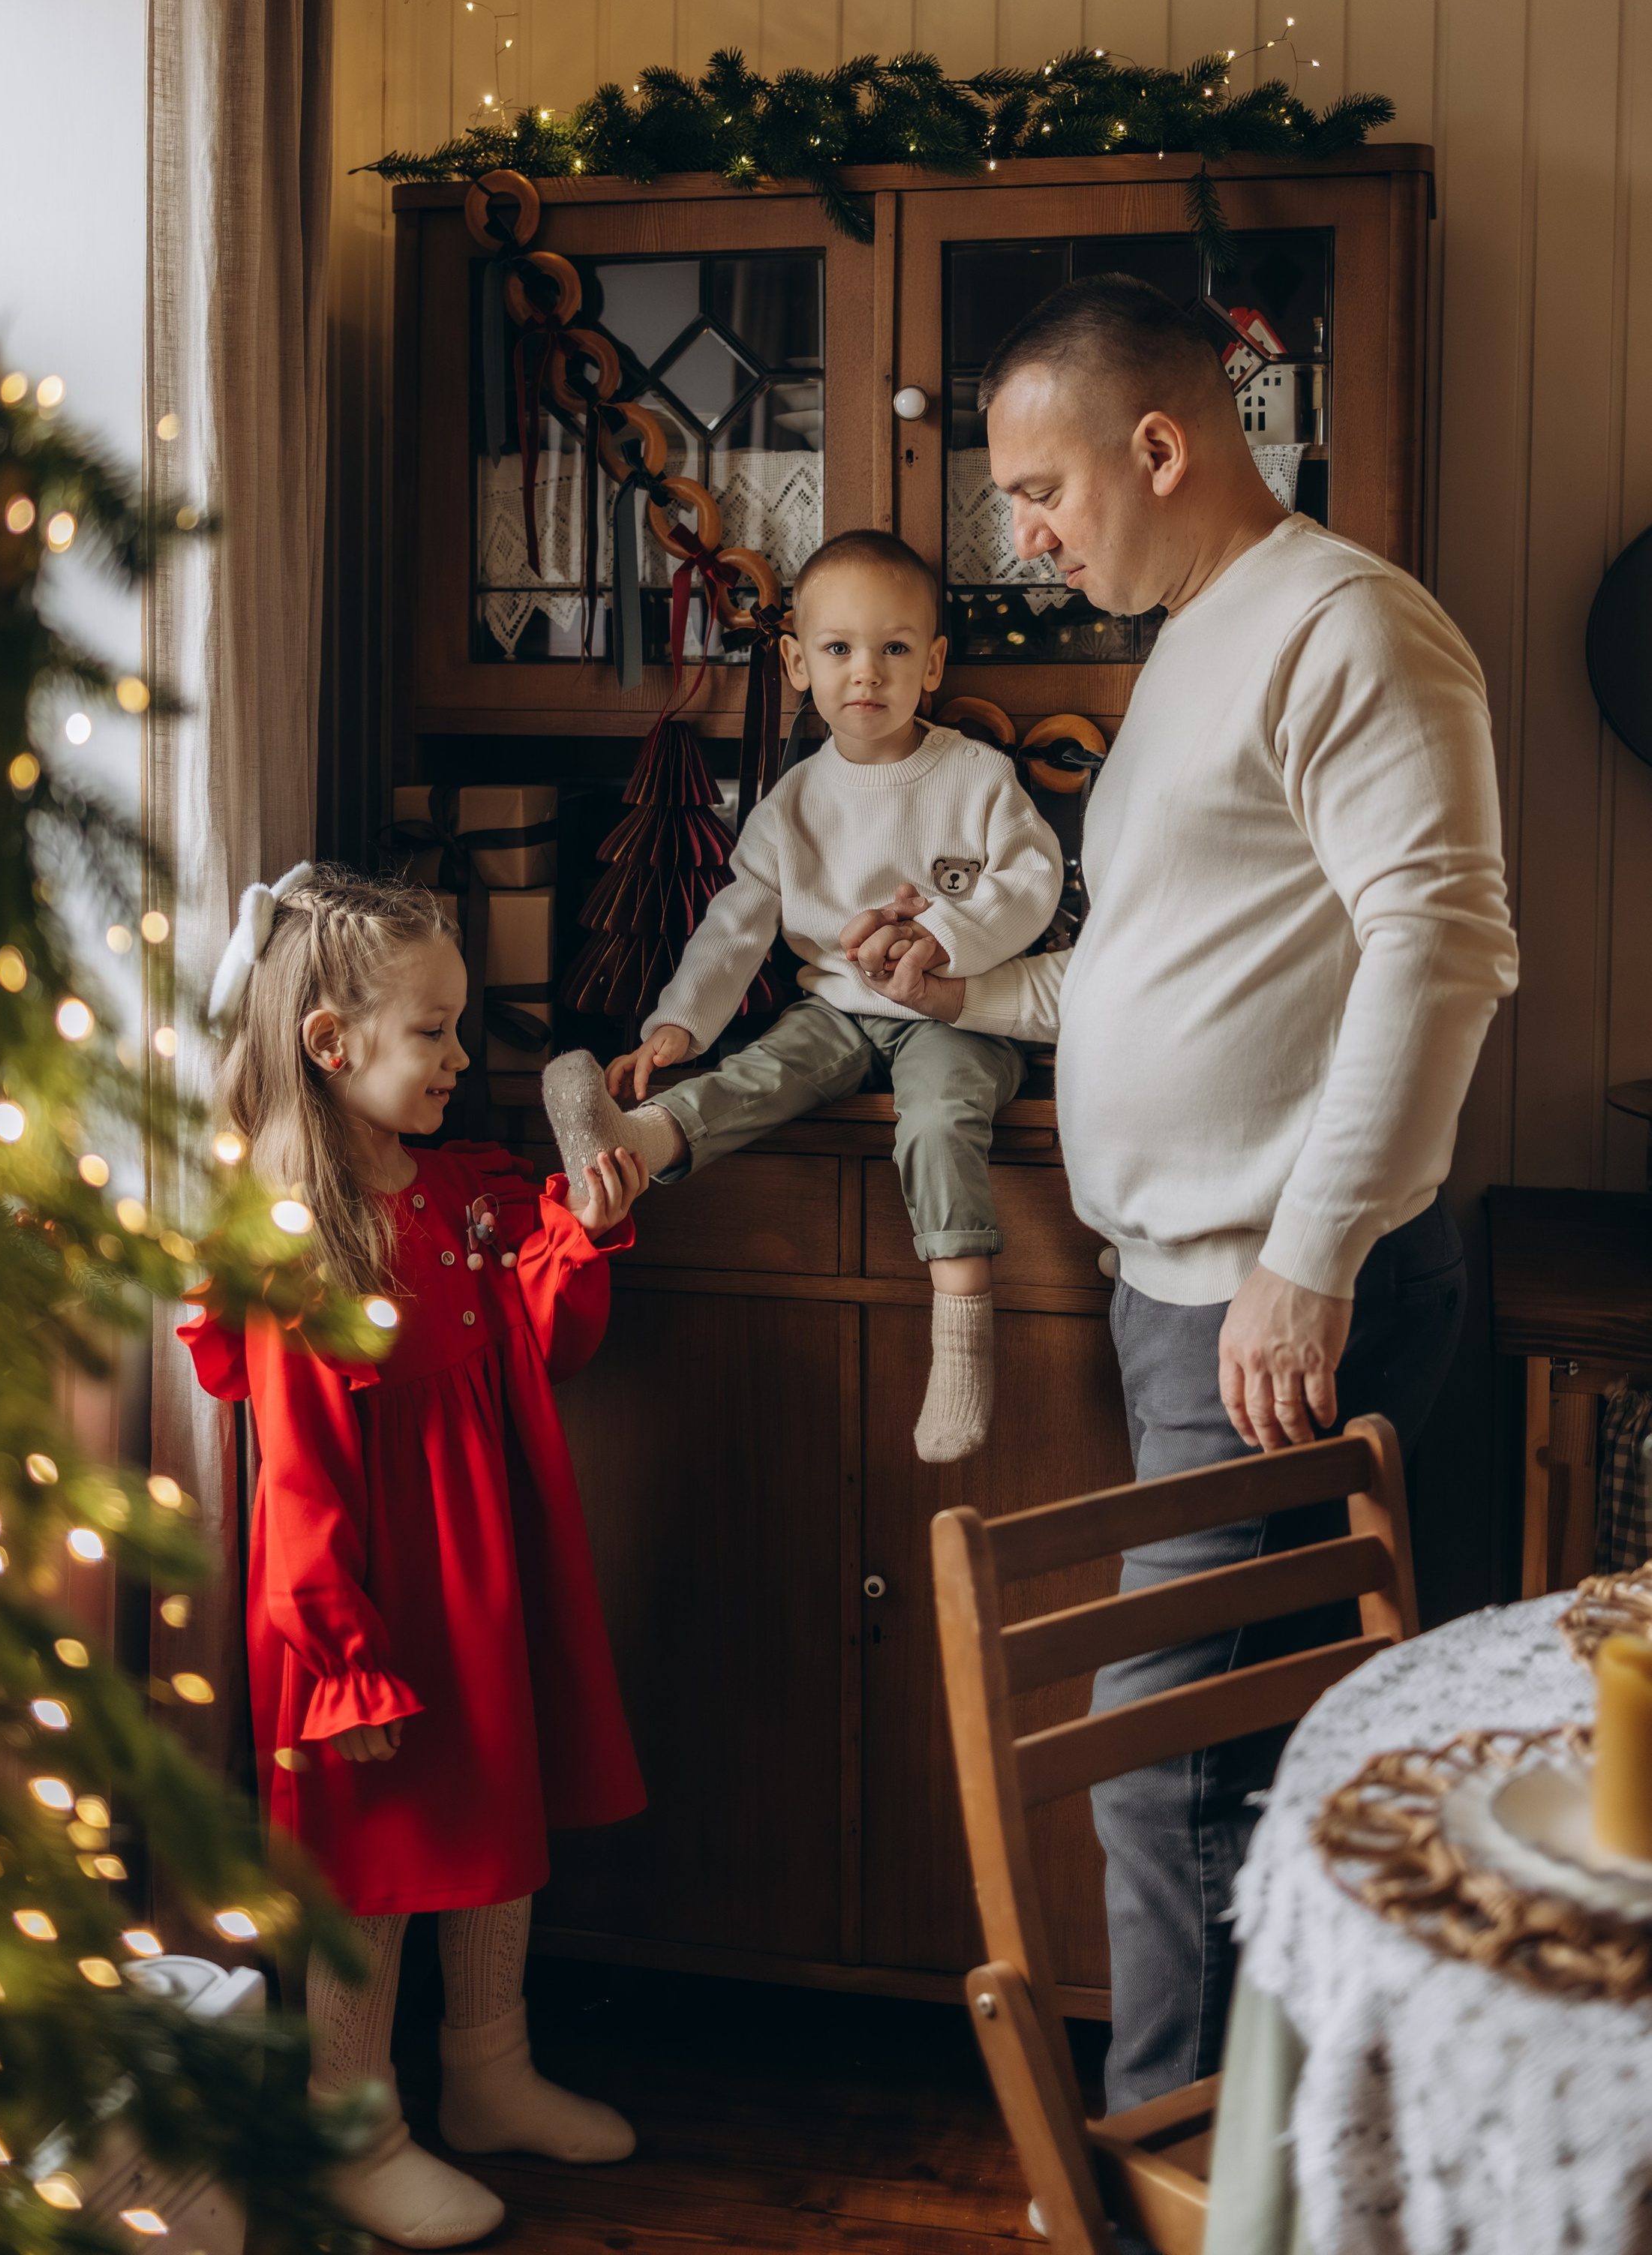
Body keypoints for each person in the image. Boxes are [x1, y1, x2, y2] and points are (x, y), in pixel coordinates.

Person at [840, 277, 1518, 2108]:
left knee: (1166, 1757)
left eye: (1043, 490)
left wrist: (1307, 1259)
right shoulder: (1186, 645)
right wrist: (957, 993)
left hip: (1271, 1299)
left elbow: (1439, 944)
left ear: (1162, 441)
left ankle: (1179, 2189)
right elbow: (1130, 973)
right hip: (1180, 1297)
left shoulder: (1346, 626)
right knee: (1244, 1755)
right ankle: (1283, 2171)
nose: (1025, 535)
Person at [179, 865, 650, 2247]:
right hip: (372, 1606)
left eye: (456, 1028)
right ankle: (352, 2126)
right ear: (332, 1046)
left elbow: (541, 1348)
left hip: (484, 1578)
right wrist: (340, 1666)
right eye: (433, 1033)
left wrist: (587, 1233)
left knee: (494, 1835)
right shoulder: (303, 1248)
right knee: (372, 1872)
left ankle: (490, 2070)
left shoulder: (461, 1195)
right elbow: (304, 1483)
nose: (460, 1056)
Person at [543, 528, 1062, 1465]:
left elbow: (1030, 882)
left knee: (938, 1119)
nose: (866, 671)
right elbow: (734, 927)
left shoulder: (975, 776)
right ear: (795, 663)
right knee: (766, 1069)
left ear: (933, 662)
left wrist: (942, 938)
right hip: (836, 1011)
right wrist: (672, 1027)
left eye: (895, 648)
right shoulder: (791, 803)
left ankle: (961, 1342)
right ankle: (640, 1134)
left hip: (955, 1015)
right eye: (838, 649)